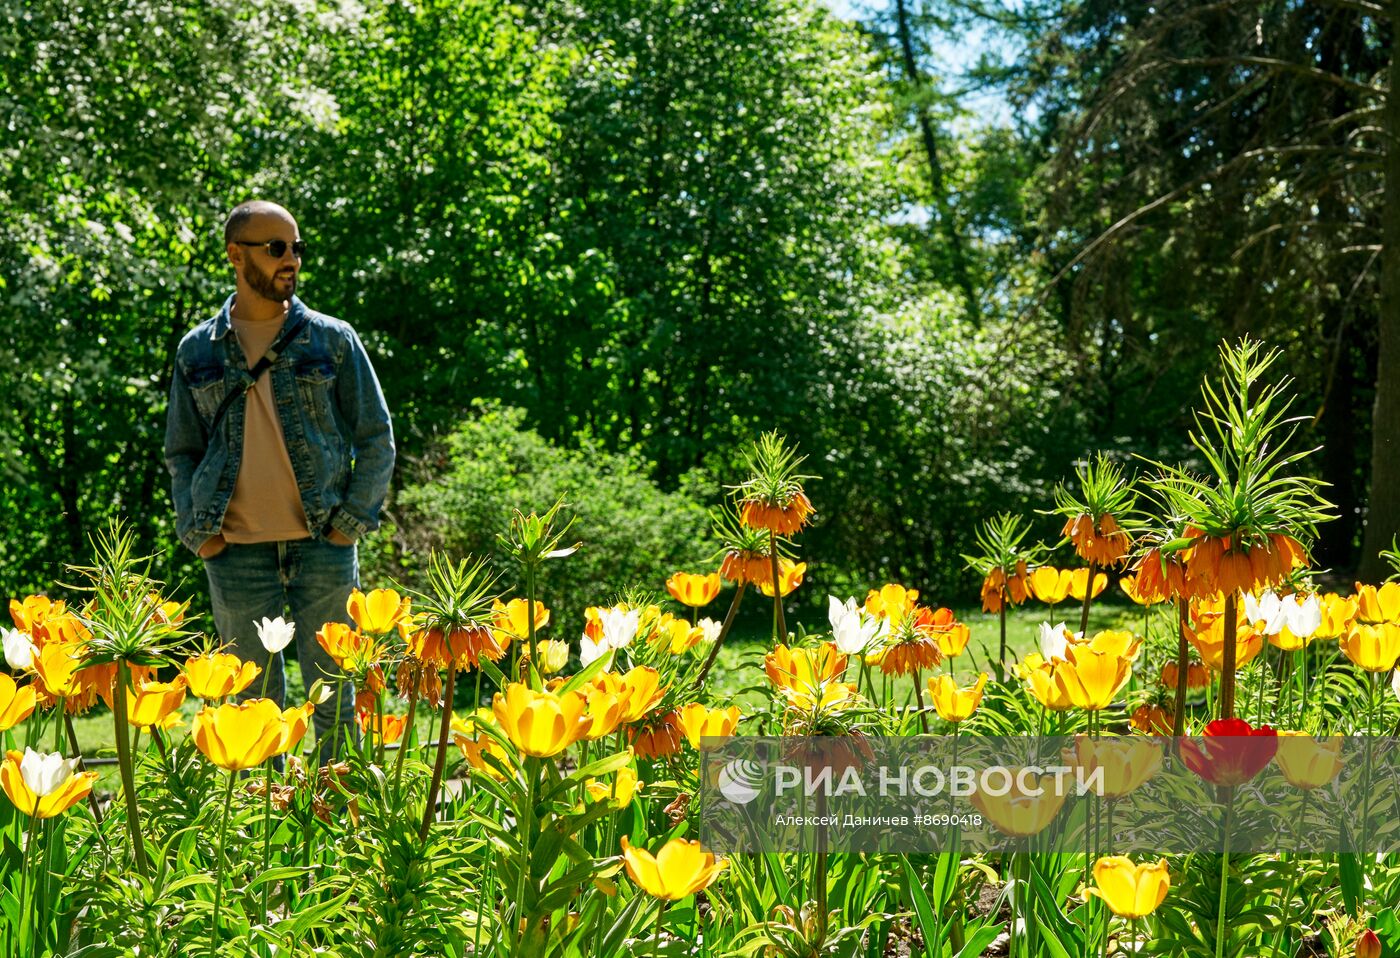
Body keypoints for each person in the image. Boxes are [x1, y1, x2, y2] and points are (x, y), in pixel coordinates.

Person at [164, 200, 395, 762]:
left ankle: (344, 827)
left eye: (296, 248)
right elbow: (182, 453)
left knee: (337, 700)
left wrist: (348, 525)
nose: (290, 259)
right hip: (235, 552)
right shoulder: (198, 350)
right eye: (276, 248)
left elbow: (376, 437)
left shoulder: (332, 340)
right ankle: (267, 837)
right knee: (252, 707)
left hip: (323, 546)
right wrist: (203, 537)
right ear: (236, 255)